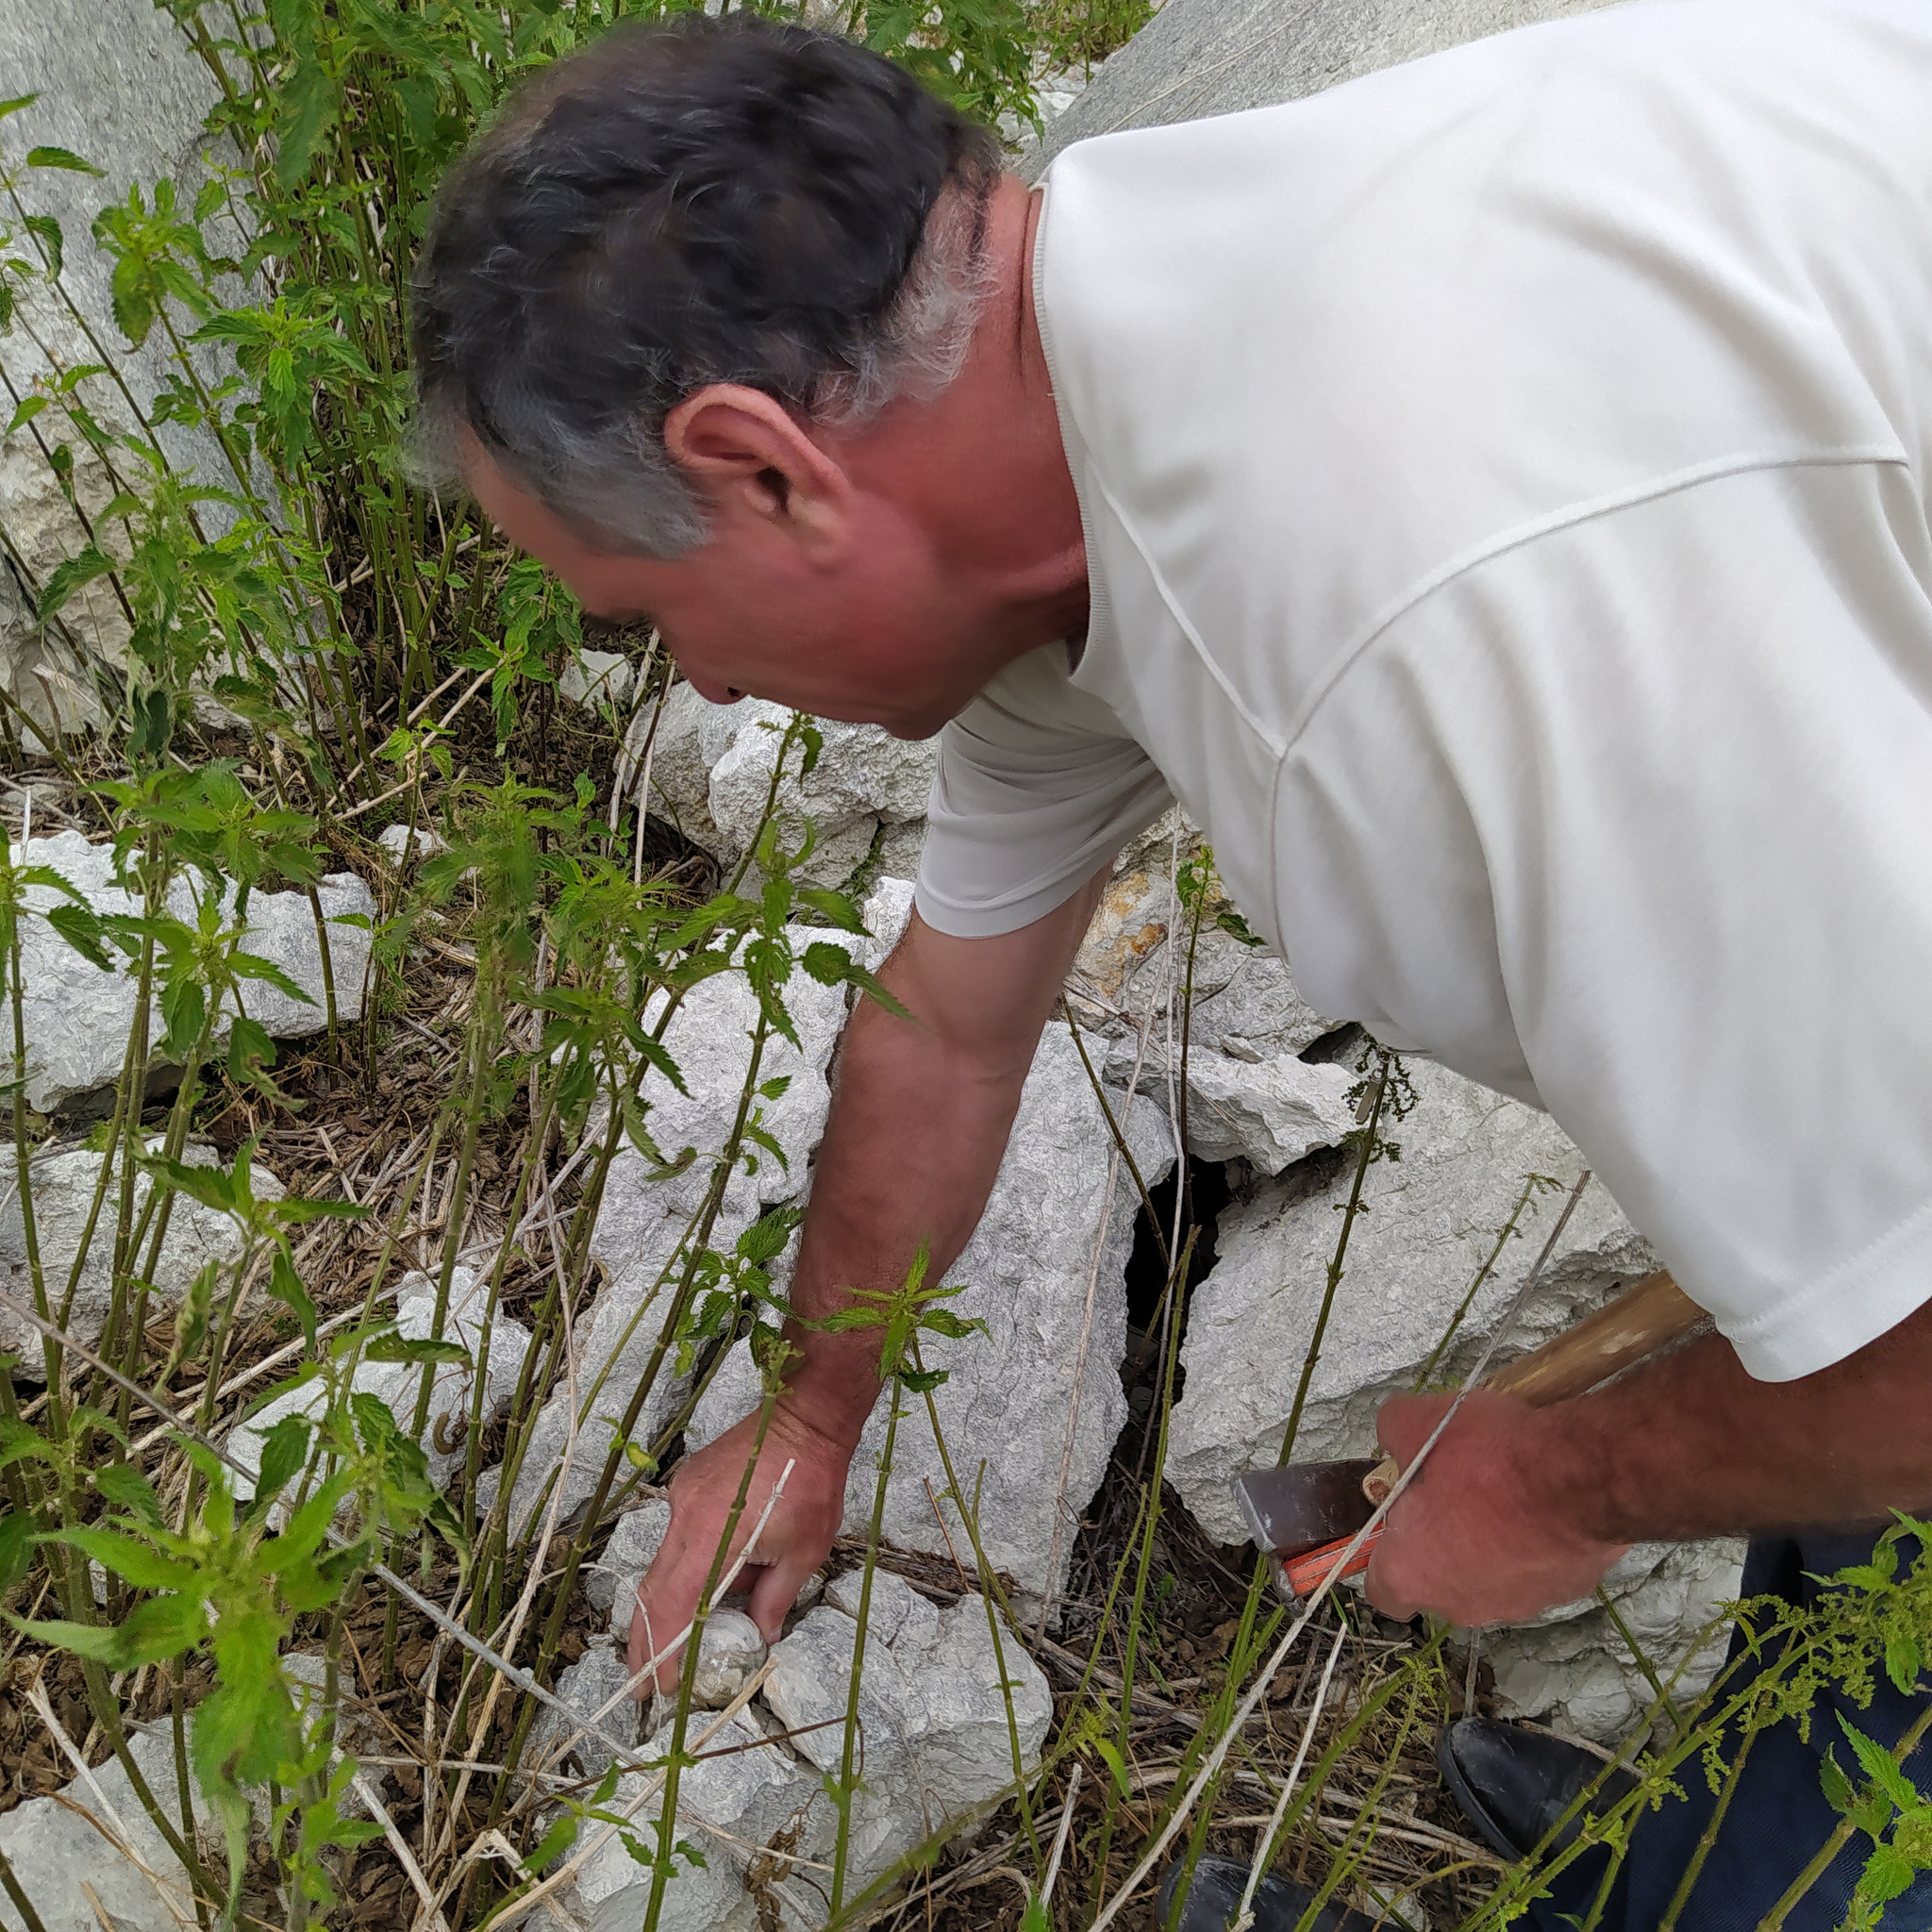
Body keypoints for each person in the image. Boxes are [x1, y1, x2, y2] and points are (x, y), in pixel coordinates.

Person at [408, 2, 1932, 1923]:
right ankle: (1741, 1837)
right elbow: (948, 1032)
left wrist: (1565, 1485)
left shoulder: (1429, 603)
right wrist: (808, 1417)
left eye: (648, 612)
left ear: (769, 468)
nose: (693, 682)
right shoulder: (1105, 380)